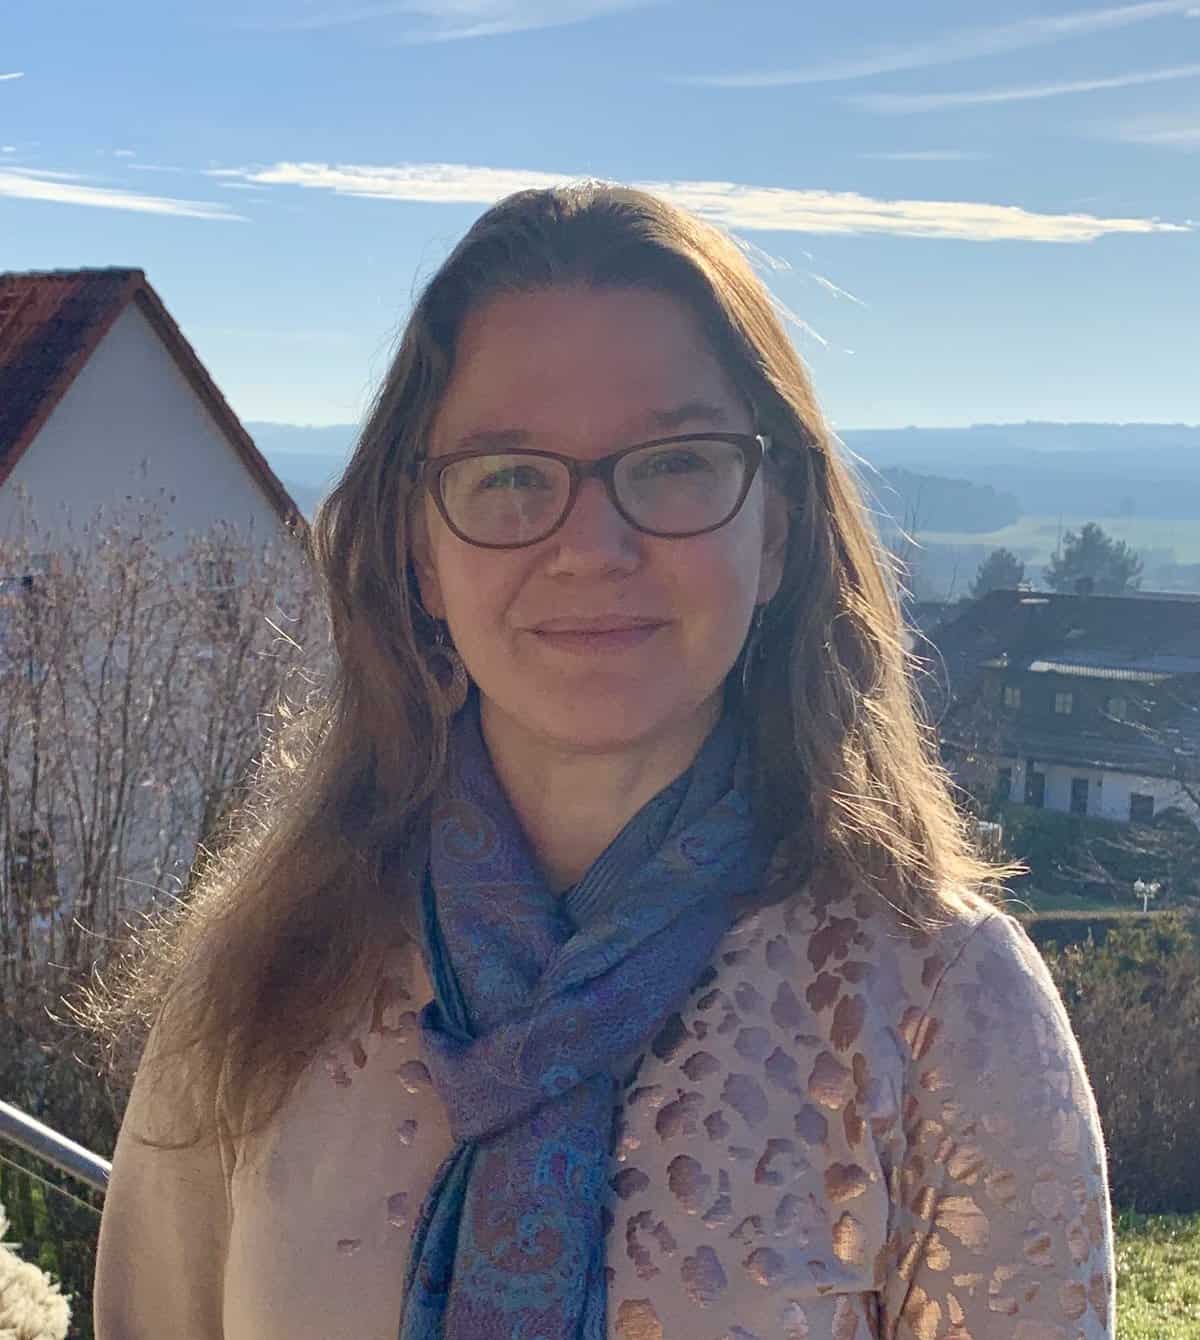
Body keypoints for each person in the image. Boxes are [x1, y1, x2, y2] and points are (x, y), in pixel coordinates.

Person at [92, 182, 1115, 1339]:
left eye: (674, 462)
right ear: (421, 551)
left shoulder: (940, 1008)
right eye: (509, 474)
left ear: (777, 528)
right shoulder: (268, 978)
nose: (592, 545)